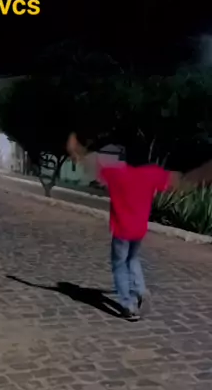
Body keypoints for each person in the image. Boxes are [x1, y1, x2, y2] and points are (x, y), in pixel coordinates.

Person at [67, 132, 187, 320]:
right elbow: (175, 181)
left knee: (119, 265)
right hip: (139, 230)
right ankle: (141, 290)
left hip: (122, 229)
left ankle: (128, 305)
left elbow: (89, 164)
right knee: (133, 259)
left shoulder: (115, 173)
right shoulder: (152, 173)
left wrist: (76, 149)